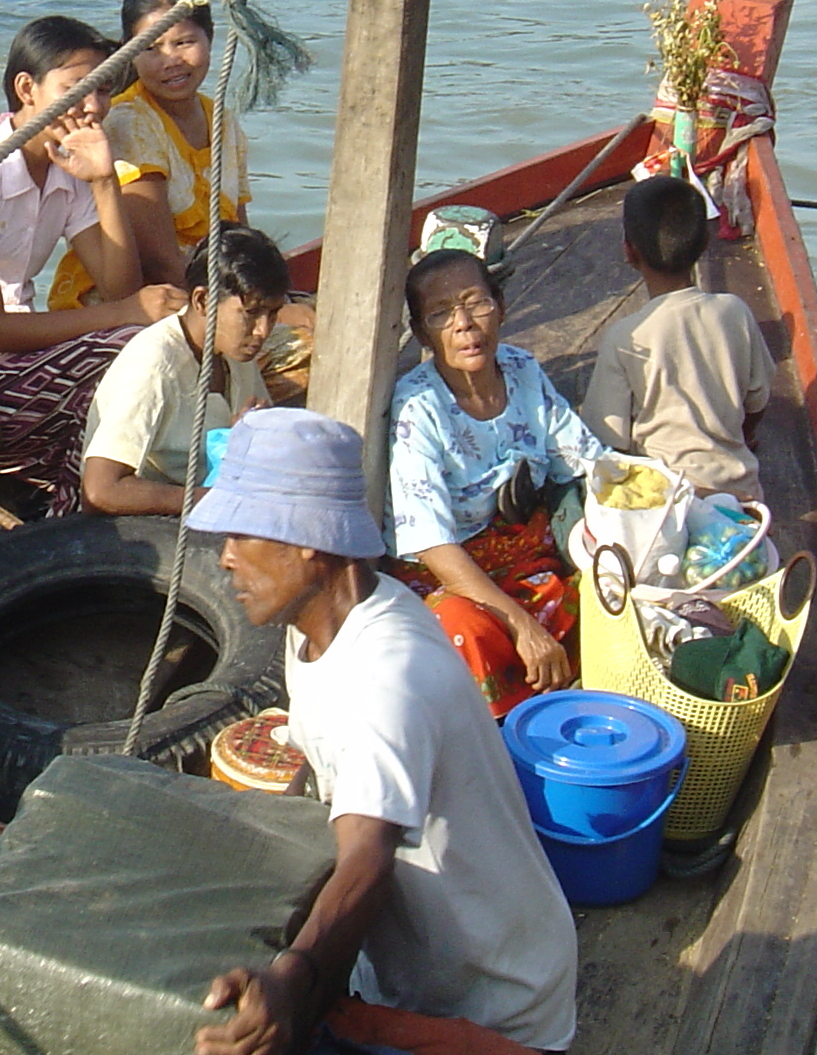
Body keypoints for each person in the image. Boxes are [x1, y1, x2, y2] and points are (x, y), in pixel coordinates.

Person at [191, 408, 579, 1055]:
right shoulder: (326, 622)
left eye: (242, 532)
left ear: (307, 539)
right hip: (415, 967)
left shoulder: (384, 677)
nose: (225, 558)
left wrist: (295, 978)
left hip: (493, 1002)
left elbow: (366, 862)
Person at [0, 17, 187, 513]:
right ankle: (80, 511)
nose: (93, 107)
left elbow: (118, 287)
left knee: (150, 339)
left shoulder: (66, 168)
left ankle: (77, 502)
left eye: (102, 90)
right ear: (27, 89)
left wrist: (104, 182)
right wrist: (125, 314)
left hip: (14, 365)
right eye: (75, 89)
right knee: (129, 344)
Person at [385, 249, 609, 717]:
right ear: (424, 333)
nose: (464, 324)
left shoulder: (521, 369)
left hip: (520, 549)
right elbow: (431, 544)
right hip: (449, 571)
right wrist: (523, 625)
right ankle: (506, 723)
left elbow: (586, 462)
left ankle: (570, 695)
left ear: (500, 307)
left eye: (476, 303)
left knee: (605, 591)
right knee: (460, 624)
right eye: (441, 313)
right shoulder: (416, 408)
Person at [51, 0, 251, 308]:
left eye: (184, 42)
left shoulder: (223, 122)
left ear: (210, 38)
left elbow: (240, 234)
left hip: (209, 298)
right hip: (138, 307)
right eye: (151, 48)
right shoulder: (129, 122)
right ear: (130, 53)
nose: (171, 61)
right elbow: (161, 265)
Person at [577, 174, 772, 505]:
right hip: (743, 493)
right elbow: (757, 400)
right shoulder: (734, 311)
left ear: (629, 251)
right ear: (705, 243)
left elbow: (607, 438)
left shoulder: (626, 336)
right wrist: (743, 437)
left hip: (666, 500)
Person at [80, 225, 287, 516]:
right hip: (147, 530)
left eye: (273, 314)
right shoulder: (154, 365)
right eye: (251, 313)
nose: (263, 330)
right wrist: (216, 500)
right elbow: (100, 491)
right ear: (203, 301)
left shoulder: (234, 351)